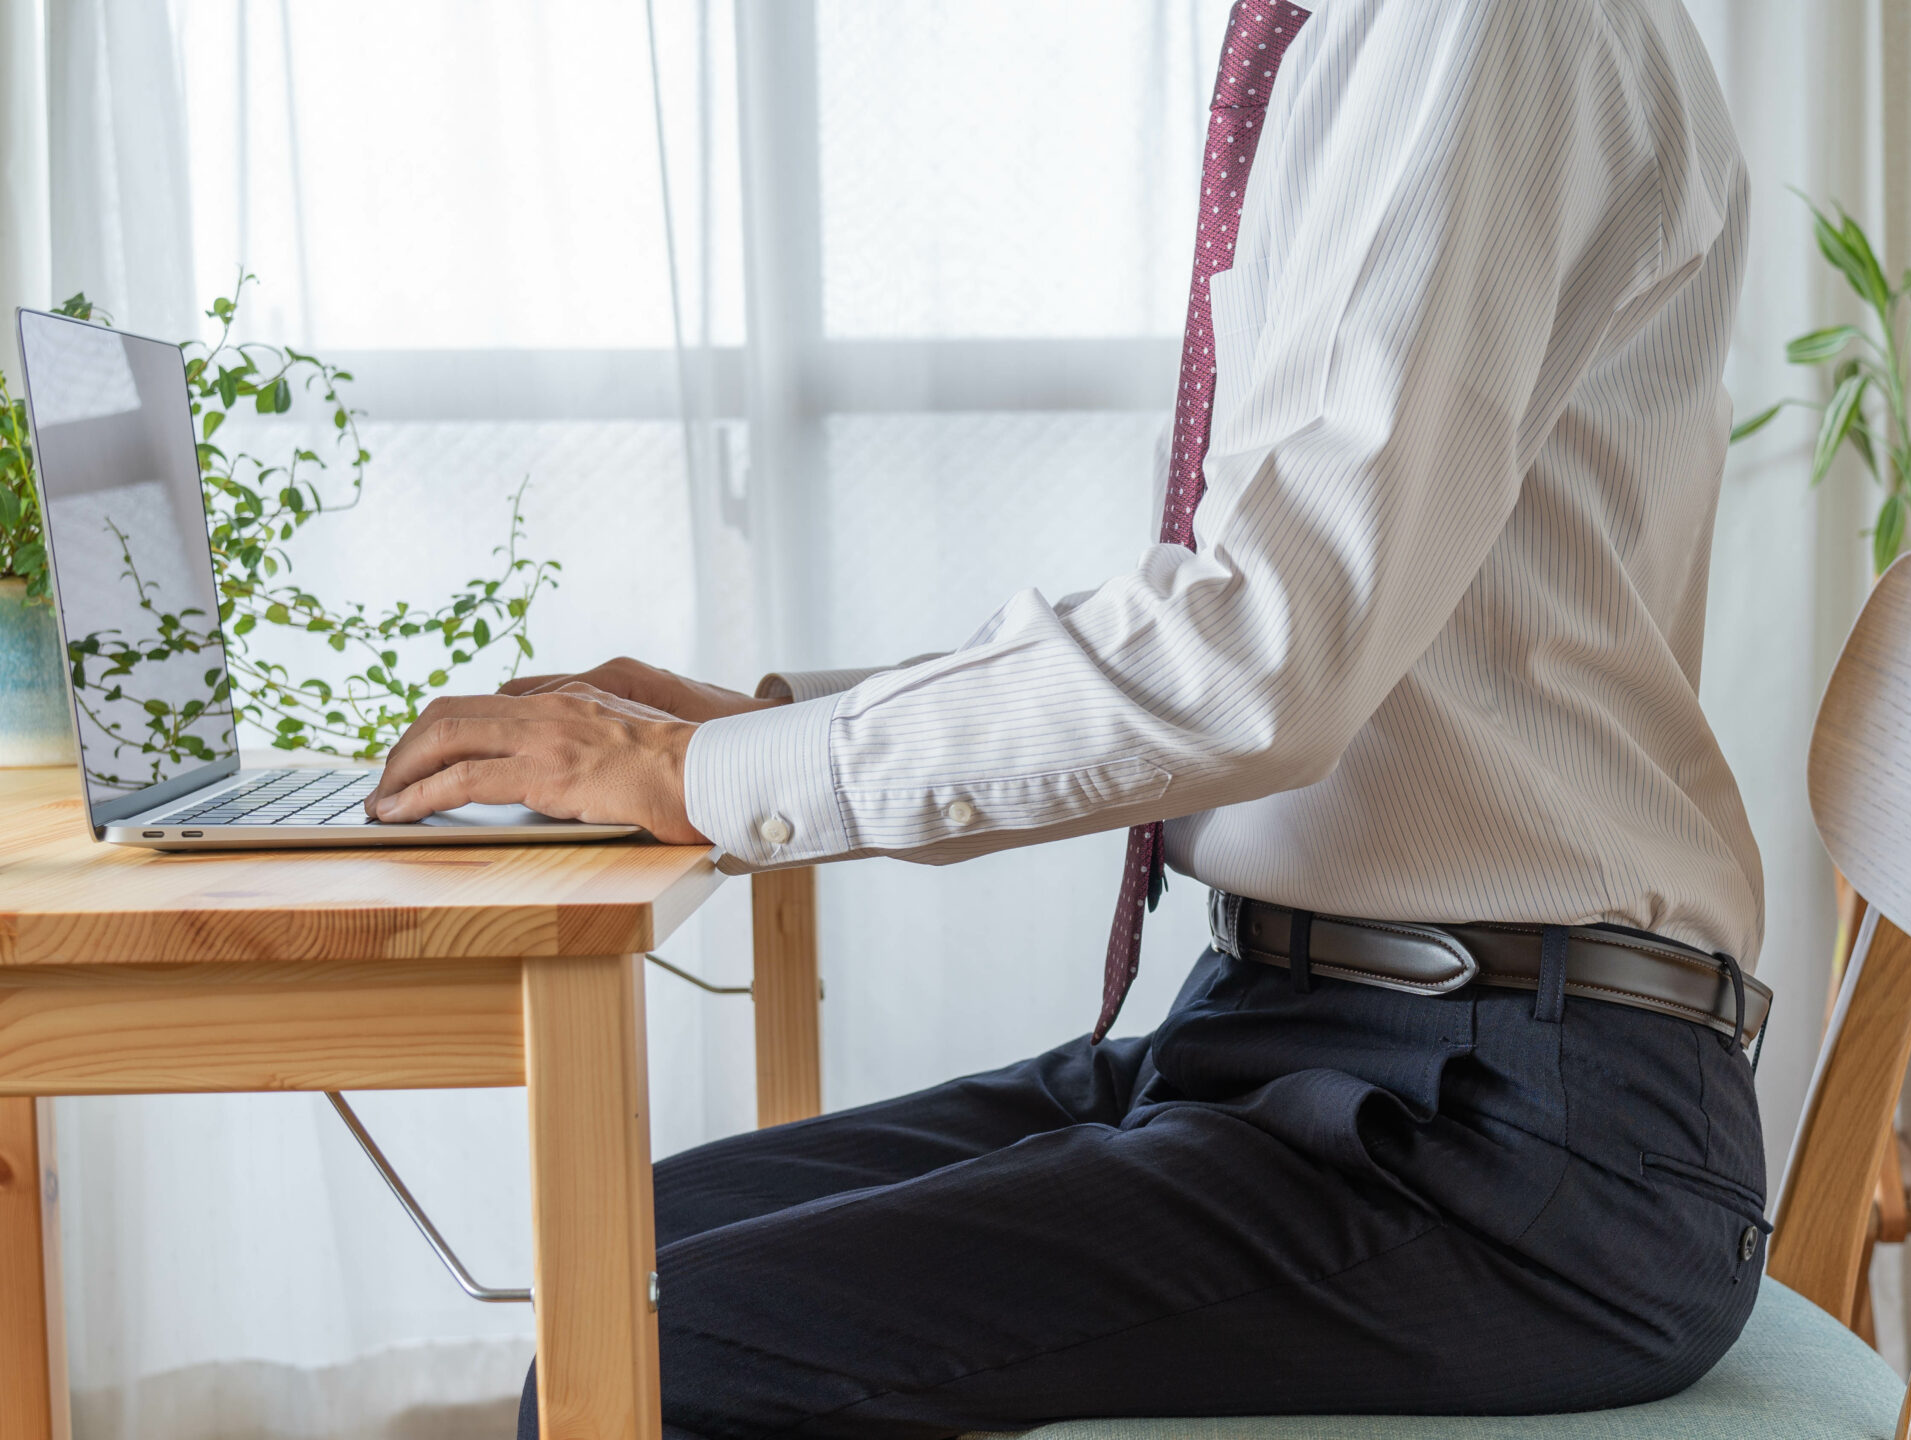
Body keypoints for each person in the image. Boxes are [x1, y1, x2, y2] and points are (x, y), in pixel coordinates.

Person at [368, 0, 1767, 1434]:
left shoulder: (1479, 29)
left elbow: (1265, 653)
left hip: (1513, 1135)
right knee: (622, 1255)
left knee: (663, 1356)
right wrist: (770, 723)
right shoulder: (1363, 40)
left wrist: (701, 773)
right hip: (1304, 1035)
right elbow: (1250, 601)